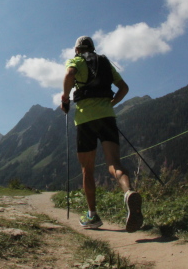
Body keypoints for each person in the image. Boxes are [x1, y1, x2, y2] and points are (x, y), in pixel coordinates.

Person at [61, 36, 143, 232]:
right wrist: (110, 104)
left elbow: (70, 75)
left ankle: (92, 215)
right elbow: (124, 88)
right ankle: (129, 192)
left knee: (87, 170)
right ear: (93, 48)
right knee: (114, 164)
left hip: (85, 120)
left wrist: (65, 98)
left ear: (77, 49)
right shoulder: (105, 63)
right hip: (107, 118)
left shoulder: (76, 61)